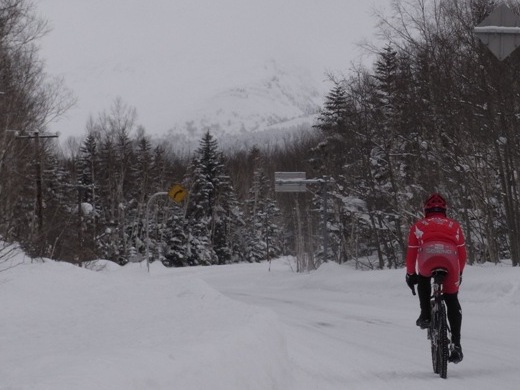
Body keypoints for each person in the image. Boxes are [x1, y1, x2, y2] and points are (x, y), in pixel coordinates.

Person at [405, 193, 467, 364]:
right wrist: (459, 273)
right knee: (452, 299)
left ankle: (425, 315)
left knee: (423, 279)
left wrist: (411, 275)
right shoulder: (454, 226)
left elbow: (411, 255)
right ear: (444, 210)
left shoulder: (418, 226)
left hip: (427, 261)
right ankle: (456, 344)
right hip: (450, 261)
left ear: (426, 210)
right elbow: (462, 254)